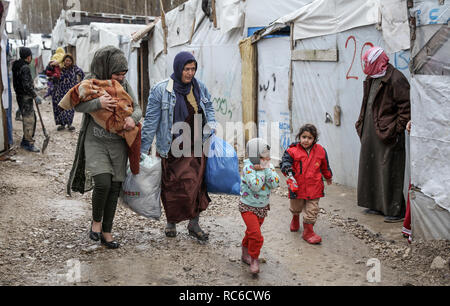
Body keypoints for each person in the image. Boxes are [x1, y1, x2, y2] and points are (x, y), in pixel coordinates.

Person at [66, 46, 142, 249]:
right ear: (105, 68)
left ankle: (107, 232)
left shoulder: (124, 84)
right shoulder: (90, 82)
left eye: (123, 74)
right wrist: (98, 103)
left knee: (115, 185)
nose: (120, 78)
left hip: (118, 143)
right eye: (117, 74)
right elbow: (78, 105)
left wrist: (132, 120)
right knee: (102, 182)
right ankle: (96, 222)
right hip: (95, 140)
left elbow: (138, 108)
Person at [141, 51, 216, 241]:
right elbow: (151, 122)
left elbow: (209, 109)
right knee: (171, 185)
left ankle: (194, 223)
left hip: (196, 144)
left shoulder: (199, 88)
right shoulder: (161, 90)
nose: (190, 73)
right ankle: (171, 222)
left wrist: (212, 128)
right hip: (171, 145)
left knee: (196, 184)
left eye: (193, 69)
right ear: (178, 68)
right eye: (186, 69)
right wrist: (142, 151)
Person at [355, 46, 411, 223]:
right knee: (371, 166)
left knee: (389, 170)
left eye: (368, 62)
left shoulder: (396, 78)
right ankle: (376, 205)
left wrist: (396, 130)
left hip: (388, 132)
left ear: (378, 62)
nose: (365, 65)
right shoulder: (372, 77)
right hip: (371, 130)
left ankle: (395, 211)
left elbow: (406, 108)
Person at [281, 124, 332, 244]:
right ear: (299, 137)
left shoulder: (320, 150)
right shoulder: (292, 150)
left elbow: (325, 166)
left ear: (314, 139)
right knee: (296, 207)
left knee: (312, 209)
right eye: (304, 137)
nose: (306, 140)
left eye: (310, 138)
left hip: (315, 186)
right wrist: (288, 170)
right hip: (297, 186)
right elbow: (285, 162)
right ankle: (295, 218)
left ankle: (308, 232)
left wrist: (328, 176)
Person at [240, 138, 280, 275]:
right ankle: (254, 259)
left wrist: (266, 169)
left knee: (251, 232)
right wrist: (262, 171)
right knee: (256, 235)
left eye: (268, 154)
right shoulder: (248, 168)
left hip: (262, 208)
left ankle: (245, 253)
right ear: (255, 155)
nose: (268, 157)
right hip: (248, 207)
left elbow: (275, 183)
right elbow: (256, 186)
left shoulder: (268, 165)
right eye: (264, 154)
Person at [11, 47, 43, 152]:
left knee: (29, 117)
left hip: (19, 95)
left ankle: (26, 139)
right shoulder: (25, 67)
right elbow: (26, 85)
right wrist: (35, 95)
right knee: (30, 120)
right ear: (28, 57)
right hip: (25, 97)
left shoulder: (16, 65)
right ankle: (27, 142)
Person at [46, 53, 84, 131]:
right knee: (61, 107)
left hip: (70, 91)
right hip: (61, 91)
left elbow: (81, 73)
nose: (68, 62)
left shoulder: (74, 68)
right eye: (66, 60)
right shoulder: (60, 68)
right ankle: (62, 124)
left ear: (72, 61)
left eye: (69, 61)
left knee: (70, 108)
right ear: (64, 61)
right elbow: (49, 71)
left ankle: (69, 124)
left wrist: (79, 83)